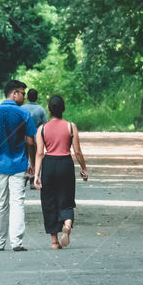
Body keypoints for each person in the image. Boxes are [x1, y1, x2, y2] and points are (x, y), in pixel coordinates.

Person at [0, 80, 37, 251]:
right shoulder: (24, 115)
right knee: (17, 202)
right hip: (18, 164)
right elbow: (31, 142)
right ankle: (16, 242)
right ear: (14, 93)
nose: (24, 97)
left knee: (0, 203)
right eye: (22, 93)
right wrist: (32, 163)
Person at [33, 94, 88, 249]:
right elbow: (77, 151)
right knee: (66, 197)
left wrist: (37, 175)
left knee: (49, 201)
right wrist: (83, 168)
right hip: (65, 164)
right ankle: (67, 223)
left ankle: (54, 241)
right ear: (63, 109)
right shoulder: (71, 126)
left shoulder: (42, 129)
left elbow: (39, 153)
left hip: (49, 164)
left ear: (49, 109)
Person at [22, 89, 48, 190]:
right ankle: (34, 178)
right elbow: (45, 124)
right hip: (36, 137)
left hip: (23, 136)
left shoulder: (22, 108)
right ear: (36, 97)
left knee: (24, 156)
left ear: (27, 97)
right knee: (35, 157)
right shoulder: (40, 109)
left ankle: (24, 176)